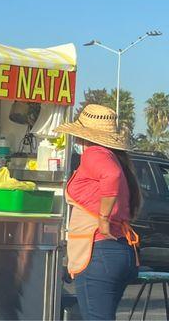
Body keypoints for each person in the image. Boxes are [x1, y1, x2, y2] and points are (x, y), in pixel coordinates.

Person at [55, 104, 141, 320]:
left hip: (99, 252)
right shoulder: (114, 157)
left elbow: (111, 175)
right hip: (118, 251)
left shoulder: (95, 153)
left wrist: (103, 219)